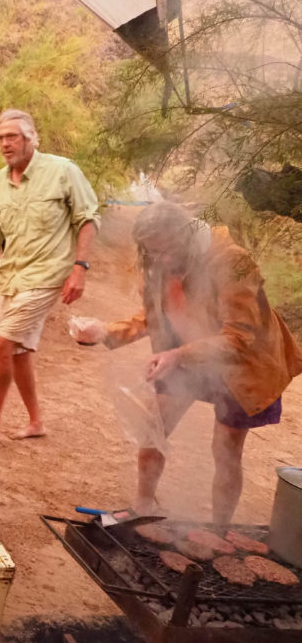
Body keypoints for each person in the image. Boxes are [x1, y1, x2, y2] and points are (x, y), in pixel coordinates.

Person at [70, 202, 302, 523]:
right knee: (154, 426)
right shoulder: (158, 261)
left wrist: (177, 354)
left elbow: (239, 337)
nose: (162, 259)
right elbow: (154, 316)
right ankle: (144, 505)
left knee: (225, 448)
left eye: (168, 250)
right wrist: (106, 331)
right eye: (154, 252)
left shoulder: (235, 262)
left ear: (186, 237)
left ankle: (218, 528)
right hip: (189, 354)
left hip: (243, 366)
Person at [0, 109, 100, 443]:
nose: (6, 144)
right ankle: (36, 422)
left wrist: (80, 268)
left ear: (31, 138)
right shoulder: (1, 186)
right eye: (1, 138)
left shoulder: (63, 171)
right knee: (18, 353)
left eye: (13, 137)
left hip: (47, 276)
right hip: (10, 278)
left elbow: (88, 218)